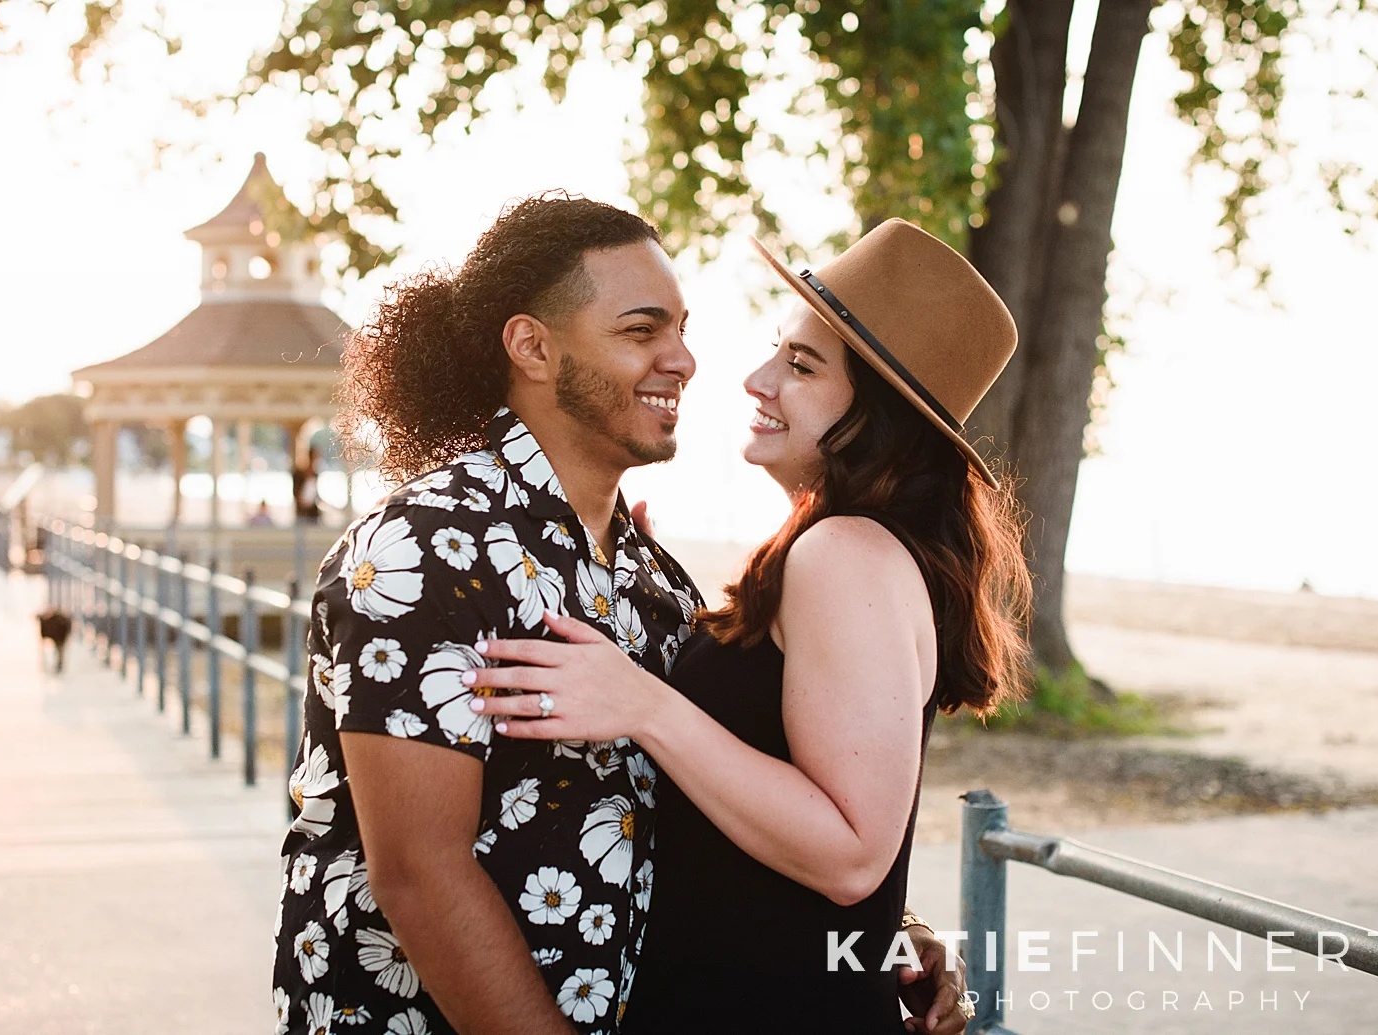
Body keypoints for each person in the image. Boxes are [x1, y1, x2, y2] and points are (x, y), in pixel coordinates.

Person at [272, 197, 962, 1035]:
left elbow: (727, 814)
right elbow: (419, 872)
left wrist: (877, 934)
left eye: (681, 328)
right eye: (642, 331)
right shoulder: (425, 548)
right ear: (533, 346)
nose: (687, 361)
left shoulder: (652, 581)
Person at [471, 219, 1034, 1033]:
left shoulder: (843, 553)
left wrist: (646, 706)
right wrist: (892, 936)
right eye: (777, 350)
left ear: (874, 413)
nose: (755, 379)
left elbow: (849, 854)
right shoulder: (833, 548)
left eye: (800, 365)